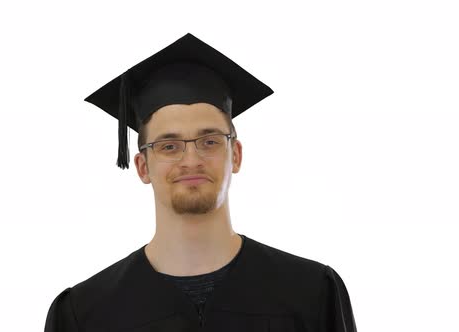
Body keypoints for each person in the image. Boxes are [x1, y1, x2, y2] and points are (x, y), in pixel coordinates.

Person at [44, 32, 357, 332]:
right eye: (169, 146)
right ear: (142, 166)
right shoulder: (86, 314)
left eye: (209, 141)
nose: (191, 159)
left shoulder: (310, 294)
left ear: (235, 154)